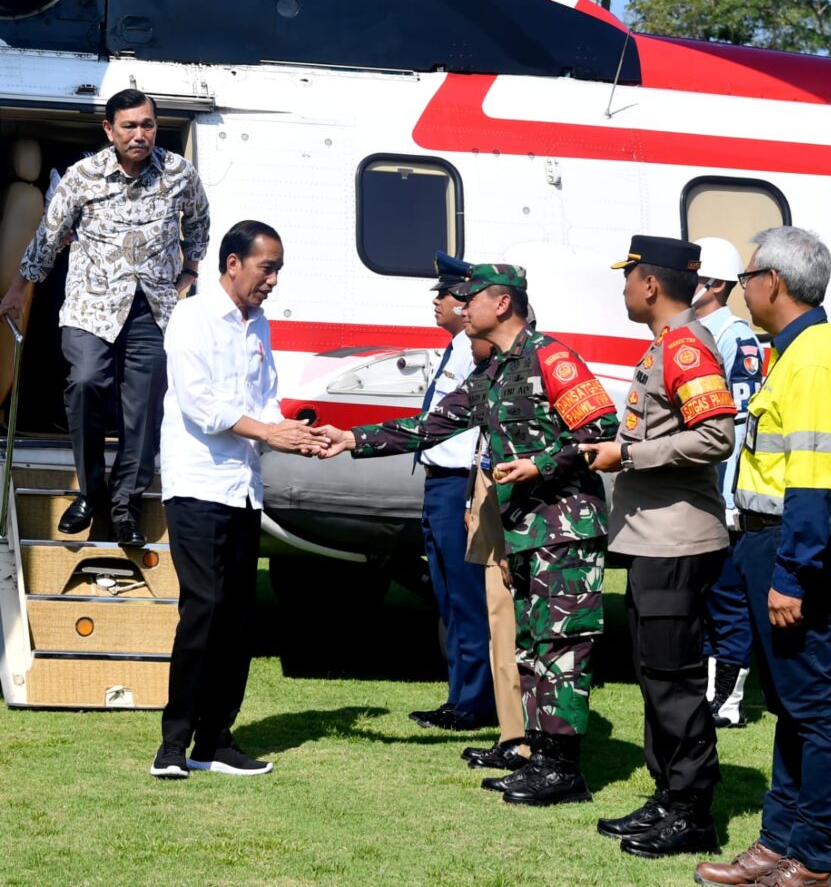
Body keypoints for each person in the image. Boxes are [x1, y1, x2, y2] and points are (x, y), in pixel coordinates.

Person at [316, 263, 618, 806]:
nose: (461, 306)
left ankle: (564, 769)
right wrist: (351, 439)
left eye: (470, 298)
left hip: (565, 529)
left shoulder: (552, 357)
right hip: (527, 531)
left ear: (501, 304)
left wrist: (539, 465)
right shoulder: (496, 372)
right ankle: (541, 758)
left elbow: (599, 434)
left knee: (562, 648)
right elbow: (430, 425)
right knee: (533, 648)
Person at [696, 227, 831, 887]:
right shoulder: (793, 352)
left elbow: (815, 481)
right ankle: (777, 845)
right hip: (766, 540)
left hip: (789, 544)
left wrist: (790, 573)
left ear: (775, 284)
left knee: (814, 710)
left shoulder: (815, 359)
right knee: (792, 706)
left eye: (749, 276)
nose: (744, 288)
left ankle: (813, 859)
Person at [150, 220, 327, 779]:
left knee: (239, 617)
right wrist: (270, 433)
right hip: (198, 483)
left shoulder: (260, 325)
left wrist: (297, 434)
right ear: (232, 263)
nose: (271, 279)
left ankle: (215, 742)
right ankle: (172, 745)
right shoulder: (191, 316)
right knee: (202, 610)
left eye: (276, 269)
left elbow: (265, 399)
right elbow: (201, 405)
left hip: (243, 487)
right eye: (265, 267)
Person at [0, 88, 210, 547]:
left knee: (145, 407)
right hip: (90, 306)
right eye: (130, 126)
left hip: (152, 309)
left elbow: (198, 222)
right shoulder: (83, 176)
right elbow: (49, 236)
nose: (140, 135)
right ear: (109, 130)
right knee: (88, 382)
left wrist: (190, 271)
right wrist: (20, 286)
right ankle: (92, 493)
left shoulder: (178, 174)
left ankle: (126, 506)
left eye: (148, 125)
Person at [583, 235, 736, 859]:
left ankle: (693, 811)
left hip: (678, 540)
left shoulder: (686, 347)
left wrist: (630, 454)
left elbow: (716, 436)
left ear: (650, 284)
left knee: (673, 681)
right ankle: (667, 795)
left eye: (628, 279)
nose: (623, 290)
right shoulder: (666, 347)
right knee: (653, 678)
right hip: (654, 540)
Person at [406, 252, 495, 732]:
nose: (436, 302)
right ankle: (460, 696)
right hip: (438, 481)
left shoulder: (475, 348)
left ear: (464, 301)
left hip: (457, 483)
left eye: (443, 293)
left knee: (465, 599)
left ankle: (476, 701)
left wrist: (468, 497)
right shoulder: (458, 346)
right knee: (448, 598)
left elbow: (478, 426)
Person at [691, 236, 763, 729]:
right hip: (700, 491)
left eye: (692, 275)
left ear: (715, 284)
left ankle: (729, 701)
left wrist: (726, 495)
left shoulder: (734, 338)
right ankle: (710, 691)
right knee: (705, 595)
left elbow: (736, 427)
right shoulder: (695, 332)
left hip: (723, 492)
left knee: (726, 598)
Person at [460, 332, 530, 771]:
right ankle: (511, 736)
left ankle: (525, 741)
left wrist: (509, 540)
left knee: (514, 635)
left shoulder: (532, 370)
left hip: (516, 521)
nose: (468, 324)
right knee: (498, 630)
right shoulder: (489, 375)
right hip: (490, 512)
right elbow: (479, 447)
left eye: (473, 305)